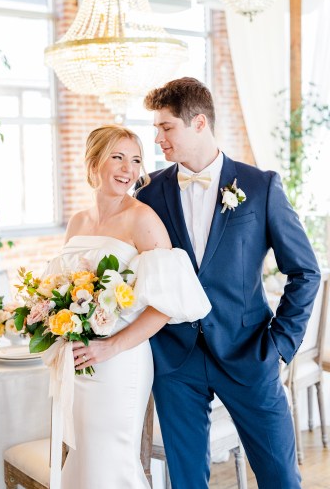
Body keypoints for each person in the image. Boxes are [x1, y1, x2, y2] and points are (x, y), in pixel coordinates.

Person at [136, 76, 321, 489]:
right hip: (176, 361)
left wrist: (280, 346)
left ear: (199, 123)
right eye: (156, 130)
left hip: (250, 354)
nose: (158, 140)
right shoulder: (148, 193)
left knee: (280, 478)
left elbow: (306, 272)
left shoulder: (261, 187)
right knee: (186, 482)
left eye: (166, 128)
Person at [43, 124, 211, 489]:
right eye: (117, 157)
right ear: (94, 162)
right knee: (86, 459)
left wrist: (109, 346)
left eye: (135, 160)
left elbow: (167, 304)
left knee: (112, 461)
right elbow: (60, 289)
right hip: (79, 363)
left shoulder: (143, 220)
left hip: (120, 363)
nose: (128, 169)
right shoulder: (78, 222)